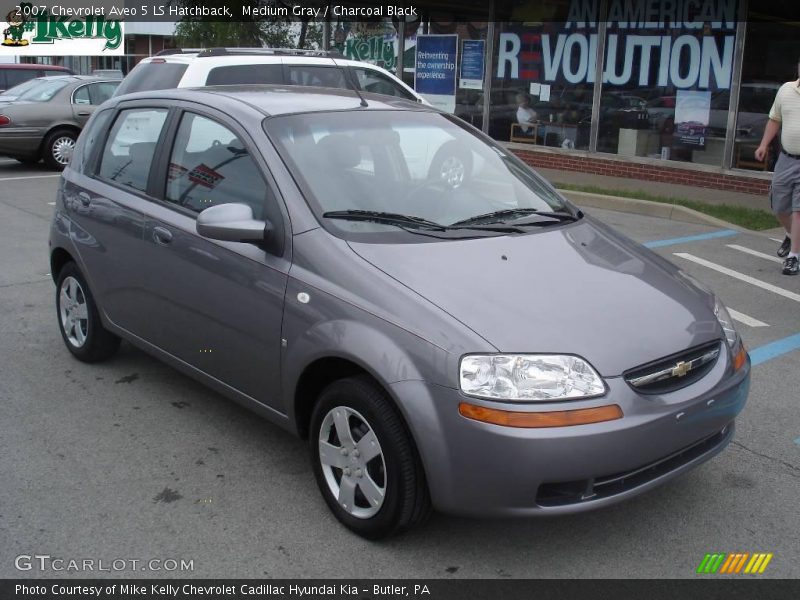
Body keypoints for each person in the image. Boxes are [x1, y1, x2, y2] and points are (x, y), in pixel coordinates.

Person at [756, 60, 800, 276]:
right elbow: (775, 120)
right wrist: (764, 144)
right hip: (786, 158)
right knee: (779, 206)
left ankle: (794, 257)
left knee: (798, 210)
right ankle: (792, 236)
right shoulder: (786, 90)